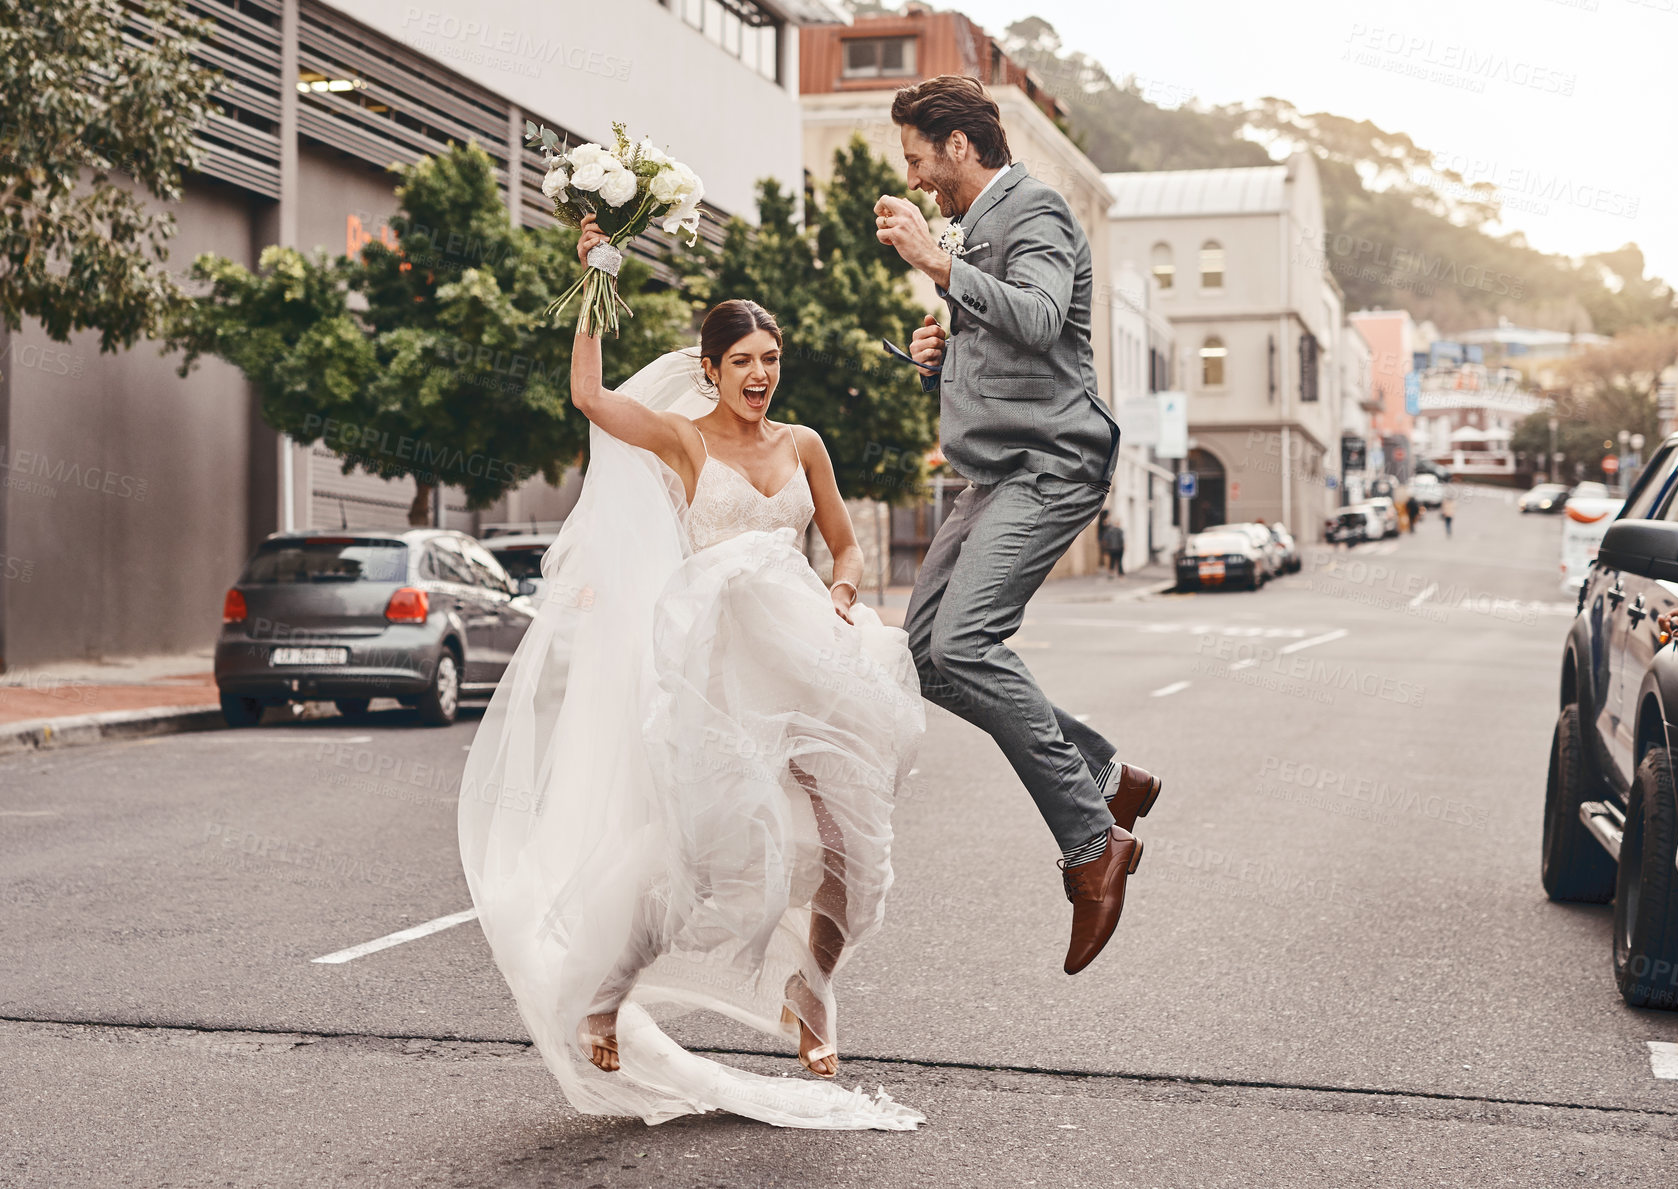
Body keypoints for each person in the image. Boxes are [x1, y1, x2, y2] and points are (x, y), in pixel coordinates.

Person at [457, 217, 925, 1130]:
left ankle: (815, 988)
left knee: (855, 851)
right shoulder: (683, 440)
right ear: (709, 368)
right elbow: (589, 394)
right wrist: (596, 275)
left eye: (769, 358)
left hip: (806, 661)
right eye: (742, 360)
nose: (759, 375)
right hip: (715, 675)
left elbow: (843, 545)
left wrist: (840, 588)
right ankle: (609, 990)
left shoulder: (805, 446)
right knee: (705, 857)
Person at [874, 75, 1159, 977]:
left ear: (960, 147)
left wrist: (939, 265)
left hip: (1050, 465)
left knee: (967, 642)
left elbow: (1039, 317)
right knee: (919, 656)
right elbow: (1002, 348)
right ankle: (1108, 776)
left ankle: (1093, 841)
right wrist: (937, 354)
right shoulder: (979, 228)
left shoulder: (1036, 210)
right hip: (990, 472)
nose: (917, 181)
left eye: (920, 161)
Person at [1100, 510, 1126, 576]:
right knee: (1119, 561)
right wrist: (1124, 546)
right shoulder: (1120, 530)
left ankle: (1111, 573)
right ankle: (1120, 575)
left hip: (1112, 548)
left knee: (1112, 561)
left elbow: (1105, 539)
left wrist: (1107, 546)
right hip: (1119, 548)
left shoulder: (1109, 530)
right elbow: (1122, 540)